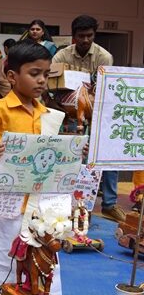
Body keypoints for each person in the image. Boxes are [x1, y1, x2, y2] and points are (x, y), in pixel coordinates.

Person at [0, 40, 71, 295]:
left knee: (45, 249)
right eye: (34, 73)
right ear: (12, 76)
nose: (41, 80)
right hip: (11, 197)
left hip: (41, 198)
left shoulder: (48, 113)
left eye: (46, 74)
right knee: (6, 249)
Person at [53, 14, 126, 223]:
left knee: (107, 154)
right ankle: (70, 204)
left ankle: (109, 204)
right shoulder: (61, 56)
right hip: (68, 115)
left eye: (89, 35)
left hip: (99, 114)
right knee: (71, 158)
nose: (85, 40)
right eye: (81, 36)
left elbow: (106, 89)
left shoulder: (104, 57)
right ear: (73, 36)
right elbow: (52, 85)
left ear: (94, 35)